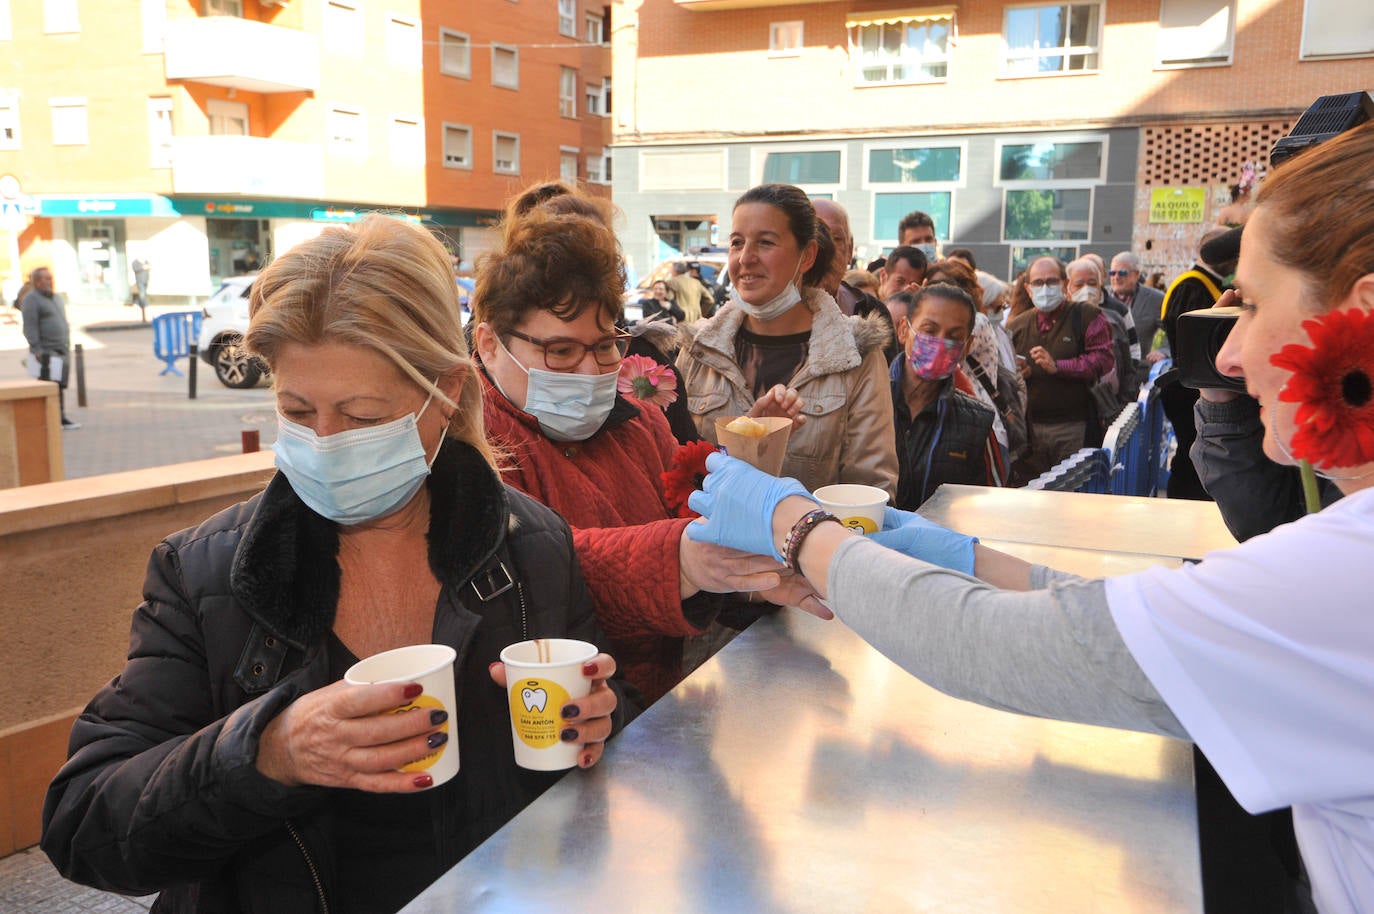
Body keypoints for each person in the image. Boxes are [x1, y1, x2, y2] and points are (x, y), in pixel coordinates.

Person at [686, 119, 1374, 914]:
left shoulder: (1347, 572)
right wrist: (958, 557)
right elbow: (1127, 628)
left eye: (1250, 306)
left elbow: (1001, 649)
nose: (1226, 354)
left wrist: (797, 528)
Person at [41, 215, 637, 914]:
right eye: (297, 410)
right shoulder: (204, 574)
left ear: (444, 395)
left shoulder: (531, 544)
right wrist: (266, 753)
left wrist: (598, 718)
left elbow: (604, 734)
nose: (323, 443)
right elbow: (84, 824)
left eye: (358, 416)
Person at [472, 182, 802, 703]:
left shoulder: (639, 422)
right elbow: (533, 567)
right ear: (490, 345)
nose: (587, 371)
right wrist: (682, 561)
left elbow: (697, 504)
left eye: (604, 347)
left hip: (653, 715)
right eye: (559, 351)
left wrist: (756, 551)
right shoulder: (472, 442)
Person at [676, 183, 898, 497]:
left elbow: (870, 490)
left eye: (765, 243)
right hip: (708, 543)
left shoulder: (854, 355)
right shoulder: (698, 351)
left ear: (806, 256)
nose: (745, 258)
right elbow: (673, 475)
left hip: (819, 545)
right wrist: (744, 444)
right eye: (737, 243)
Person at [887, 285, 1000, 509]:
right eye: (929, 330)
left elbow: (988, 508)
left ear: (966, 346)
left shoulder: (978, 422)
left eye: (954, 336)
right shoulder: (864, 405)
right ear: (903, 330)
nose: (940, 342)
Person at [1007, 256, 1114, 480]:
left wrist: (1058, 366)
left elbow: (1103, 360)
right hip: (1030, 430)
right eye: (1038, 282)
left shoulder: (1087, 316)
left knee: (1071, 495)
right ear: (1028, 288)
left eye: (1051, 281)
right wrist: (1021, 372)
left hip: (1073, 426)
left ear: (1065, 284)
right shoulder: (1017, 325)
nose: (1044, 288)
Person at [813, 198, 898, 362]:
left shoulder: (871, 311)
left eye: (836, 239)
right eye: (817, 238)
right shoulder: (775, 312)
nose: (826, 250)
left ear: (850, 249)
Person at [20, 266, 78, 429]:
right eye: (46, 278)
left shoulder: (55, 297)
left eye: (50, 278)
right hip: (46, 351)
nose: (50, 281)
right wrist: (36, 348)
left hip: (61, 350)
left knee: (60, 385)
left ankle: (60, 417)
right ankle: (51, 419)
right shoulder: (31, 299)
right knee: (49, 386)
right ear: (37, 282)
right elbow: (30, 326)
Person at [1108, 251, 1167, 365]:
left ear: (1136, 274)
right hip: (1105, 371)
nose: (1116, 277)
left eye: (1122, 273)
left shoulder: (1155, 299)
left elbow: (1174, 329)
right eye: (1112, 273)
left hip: (1138, 371)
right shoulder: (1101, 298)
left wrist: (1163, 350)